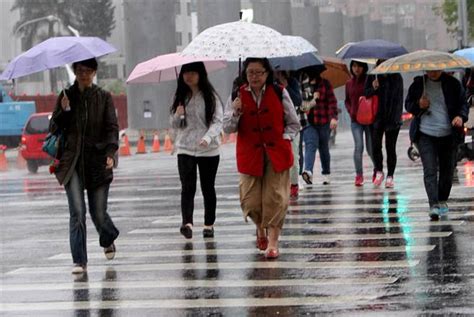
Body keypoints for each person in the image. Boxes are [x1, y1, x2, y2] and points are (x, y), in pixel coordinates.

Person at [223, 58, 300, 259]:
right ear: (245, 74)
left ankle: (273, 243)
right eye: (250, 73)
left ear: (267, 73)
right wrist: (236, 113)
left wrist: (285, 138)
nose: (254, 77)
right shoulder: (236, 95)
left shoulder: (279, 92)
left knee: (275, 197)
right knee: (251, 201)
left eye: (259, 72)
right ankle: (259, 227)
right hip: (250, 154)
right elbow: (227, 128)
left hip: (276, 153)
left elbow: (294, 123)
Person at [49, 58, 119, 274]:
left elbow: (111, 128)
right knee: (77, 213)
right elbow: (54, 127)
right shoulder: (66, 96)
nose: (84, 75)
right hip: (73, 162)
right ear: (75, 71)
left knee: (98, 213)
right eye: (80, 70)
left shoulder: (104, 97)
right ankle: (79, 261)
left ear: (95, 72)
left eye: (88, 71)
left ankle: (107, 237)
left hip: (97, 161)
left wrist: (110, 153)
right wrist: (63, 111)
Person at [170, 62, 223, 239]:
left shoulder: (210, 97)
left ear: (200, 74)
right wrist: (177, 115)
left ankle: (209, 224)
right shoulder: (180, 97)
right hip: (185, 148)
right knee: (187, 187)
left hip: (208, 150)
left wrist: (208, 138)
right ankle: (187, 223)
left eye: (192, 73)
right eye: (186, 73)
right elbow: (174, 125)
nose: (189, 76)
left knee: (208, 187)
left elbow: (217, 121)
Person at [405, 70, 468, 220]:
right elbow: (408, 105)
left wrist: (460, 117)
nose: (432, 72)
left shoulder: (453, 84)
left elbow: (463, 104)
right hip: (425, 135)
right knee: (430, 170)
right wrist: (418, 105)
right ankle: (433, 204)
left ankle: (442, 200)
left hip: (448, 134)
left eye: (435, 69)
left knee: (447, 171)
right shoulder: (418, 84)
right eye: (429, 69)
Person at [365, 59, 404, 188]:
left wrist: (396, 118)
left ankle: (390, 175)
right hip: (377, 118)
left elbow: (398, 99)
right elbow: (366, 93)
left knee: (390, 148)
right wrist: (373, 88)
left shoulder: (396, 77)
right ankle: (379, 170)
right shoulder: (373, 75)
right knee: (376, 146)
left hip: (393, 119)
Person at [300, 65, 338, 185]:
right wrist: (312, 99)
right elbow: (301, 104)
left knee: (323, 148)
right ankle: (308, 172)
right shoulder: (303, 85)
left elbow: (332, 102)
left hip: (323, 121)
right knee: (310, 145)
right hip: (308, 122)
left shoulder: (325, 84)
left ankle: (326, 173)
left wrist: (333, 118)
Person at [345, 60, 374, 186]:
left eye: (359, 66)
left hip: (368, 119)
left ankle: (377, 169)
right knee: (359, 146)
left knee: (370, 148)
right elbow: (347, 100)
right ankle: (359, 175)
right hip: (355, 120)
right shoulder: (349, 83)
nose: (356, 69)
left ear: (364, 67)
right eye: (354, 66)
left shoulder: (369, 80)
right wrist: (351, 110)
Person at [275, 70, 302, 198]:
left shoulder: (292, 82)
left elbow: (298, 101)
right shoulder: (271, 85)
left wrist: (285, 86)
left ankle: (294, 184)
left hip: (292, 126)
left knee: (294, 158)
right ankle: (282, 185)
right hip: (277, 126)